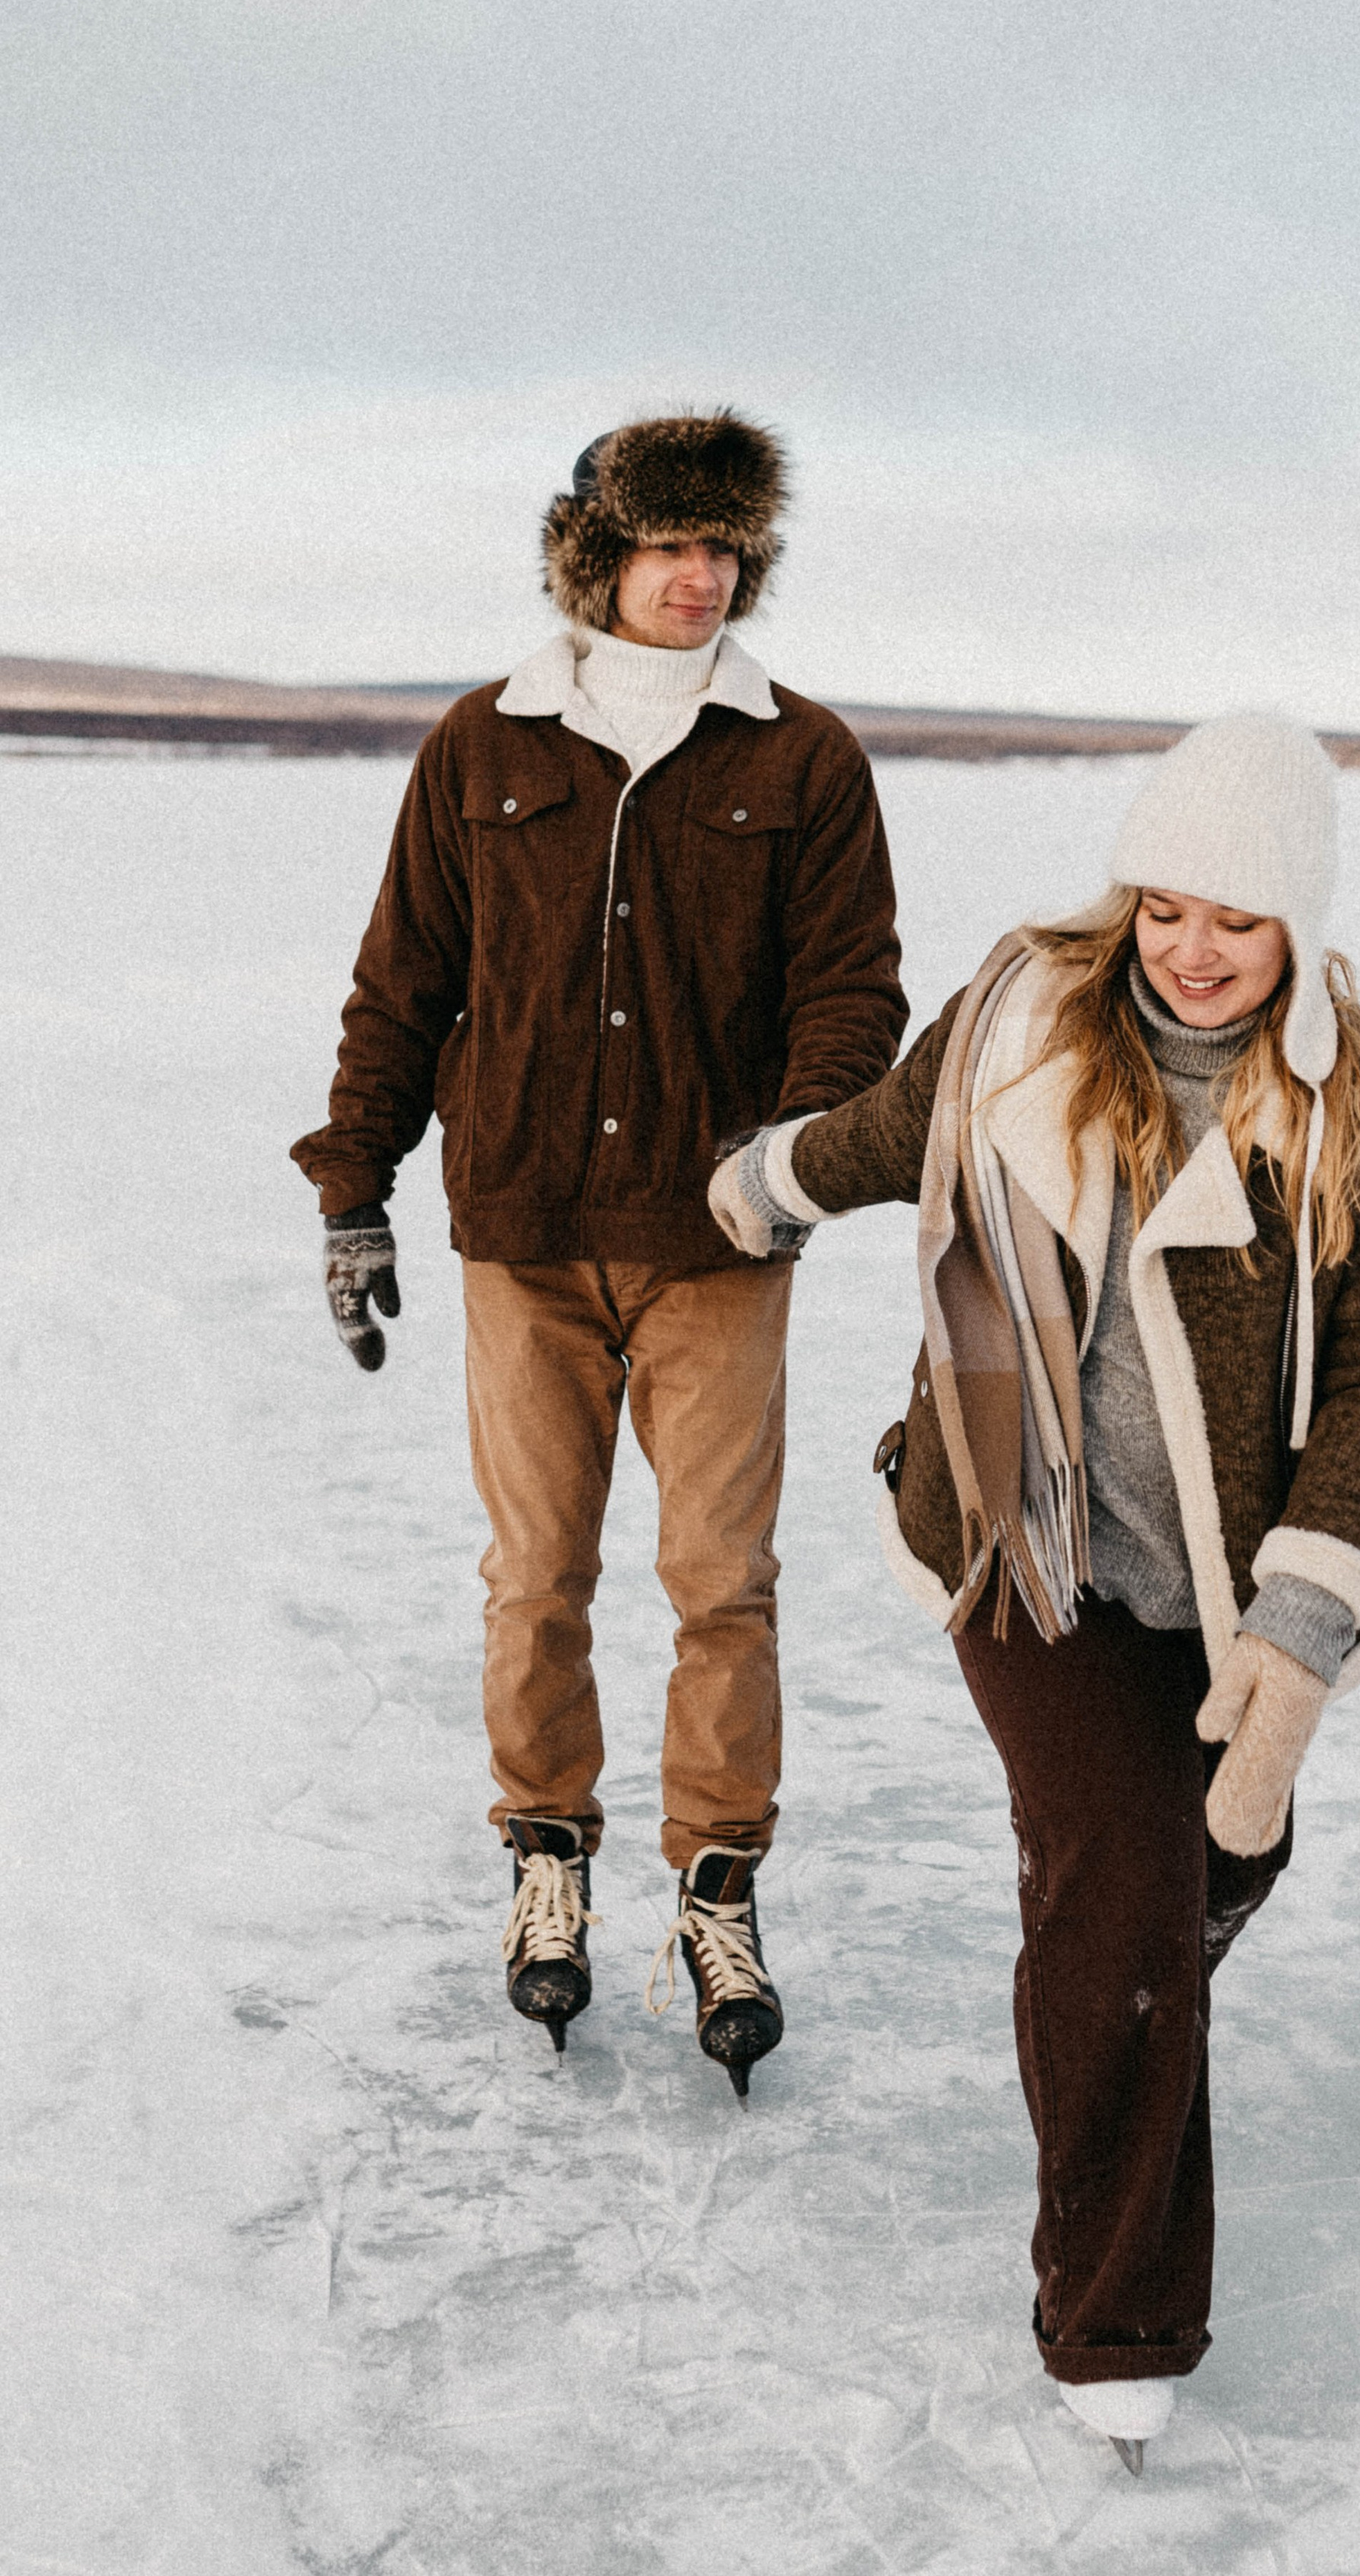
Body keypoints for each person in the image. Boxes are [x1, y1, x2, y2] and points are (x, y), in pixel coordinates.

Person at [708, 713, 1360, 2457]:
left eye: (1239, 920)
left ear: (1299, 932)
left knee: (1210, 1854)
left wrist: (1292, 1644)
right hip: (1018, 1545)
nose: (1191, 952)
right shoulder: (1014, 1029)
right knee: (1121, 1890)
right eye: (1165, 908)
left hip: (1236, 1590)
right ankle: (1114, 2328)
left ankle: (1117, 1948)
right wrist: (761, 1184)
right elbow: (890, 1135)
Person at [291, 410, 906, 2091]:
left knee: (723, 1585)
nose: (700, 575)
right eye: (668, 546)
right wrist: (356, 1186)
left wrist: (788, 1162)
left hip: (716, 1246)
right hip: (525, 1236)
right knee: (534, 1577)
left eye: (725, 549)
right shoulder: (485, 745)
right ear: (598, 560)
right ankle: (545, 1860)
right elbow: (404, 981)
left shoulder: (802, 761)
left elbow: (852, 997)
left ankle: (715, 1888)